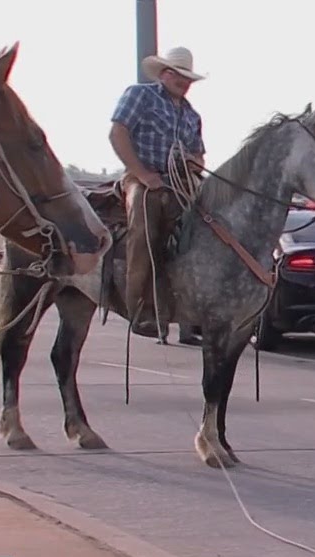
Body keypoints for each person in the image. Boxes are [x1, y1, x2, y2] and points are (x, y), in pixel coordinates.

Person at [108, 46, 206, 346]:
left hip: (179, 182)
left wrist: (191, 162)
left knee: (203, 230)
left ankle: (191, 311)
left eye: (188, 78)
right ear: (165, 73)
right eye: (179, 75)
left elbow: (199, 156)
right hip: (142, 177)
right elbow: (118, 133)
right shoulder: (140, 95)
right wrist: (141, 174)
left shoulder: (191, 115)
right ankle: (140, 310)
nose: (184, 82)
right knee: (145, 226)